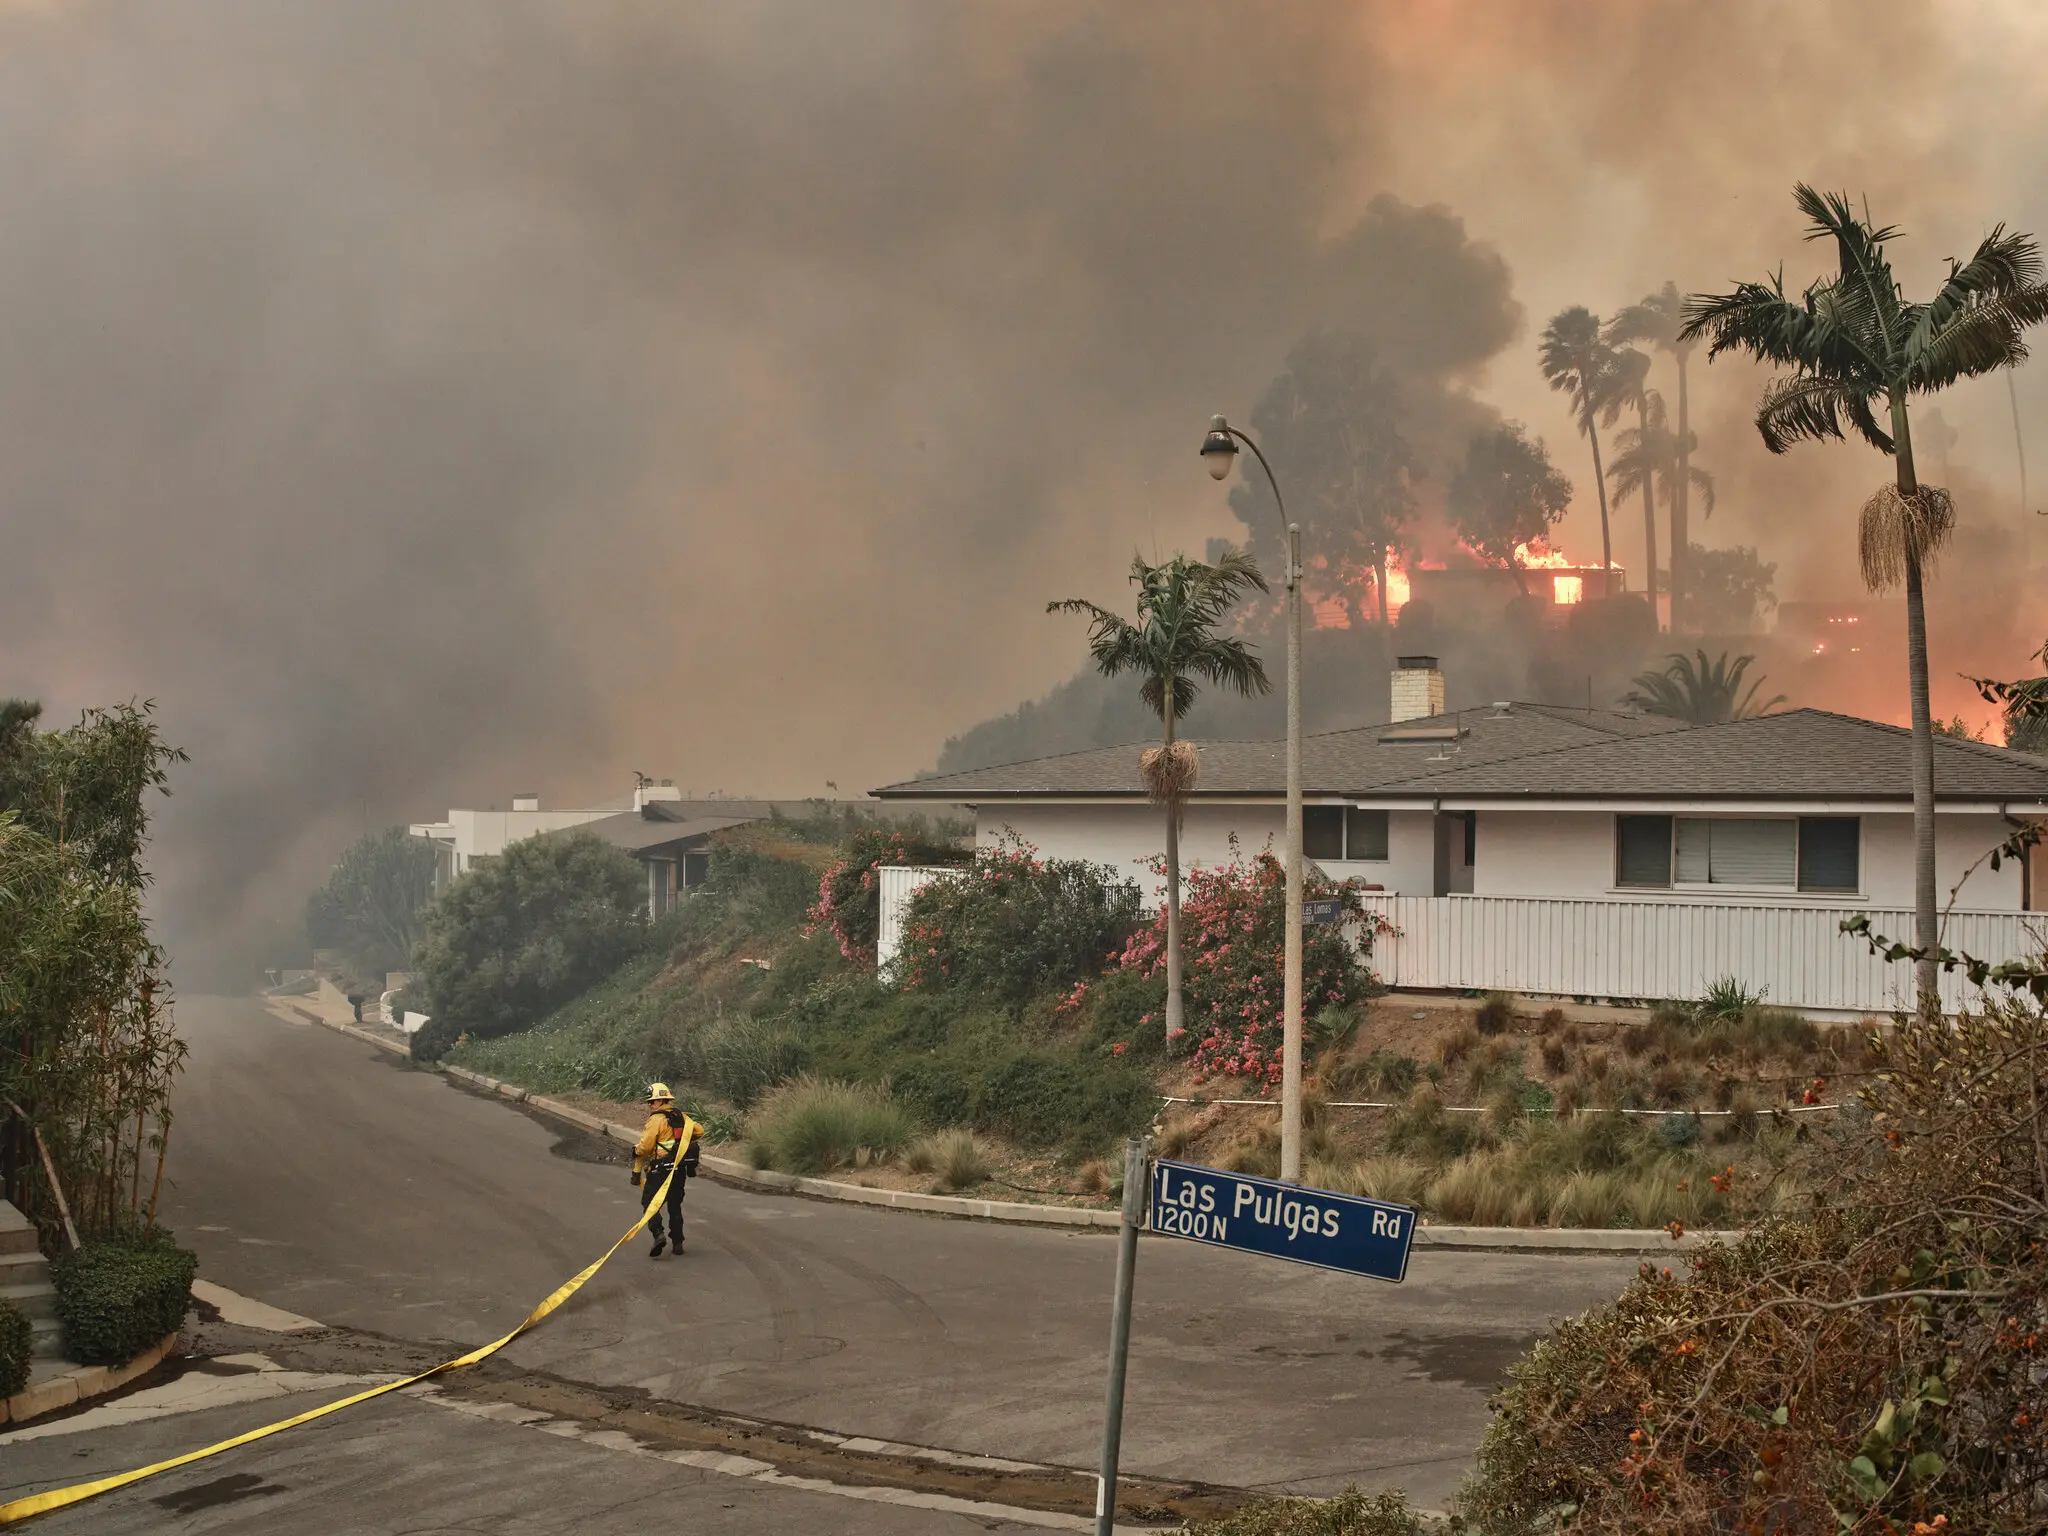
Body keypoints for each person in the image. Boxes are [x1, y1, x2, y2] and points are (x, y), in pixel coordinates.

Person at [631, 1083, 702, 1258]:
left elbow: (646, 1147)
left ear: (661, 1100)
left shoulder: (656, 1120)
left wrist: (636, 1151)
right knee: (674, 1206)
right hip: (678, 1170)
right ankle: (678, 1242)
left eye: (652, 1101)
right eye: (649, 1102)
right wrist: (685, 1139)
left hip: (659, 1170)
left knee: (649, 1203)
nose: (650, 1105)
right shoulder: (681, 1116)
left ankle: (658, 1235)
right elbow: (699, 1130)